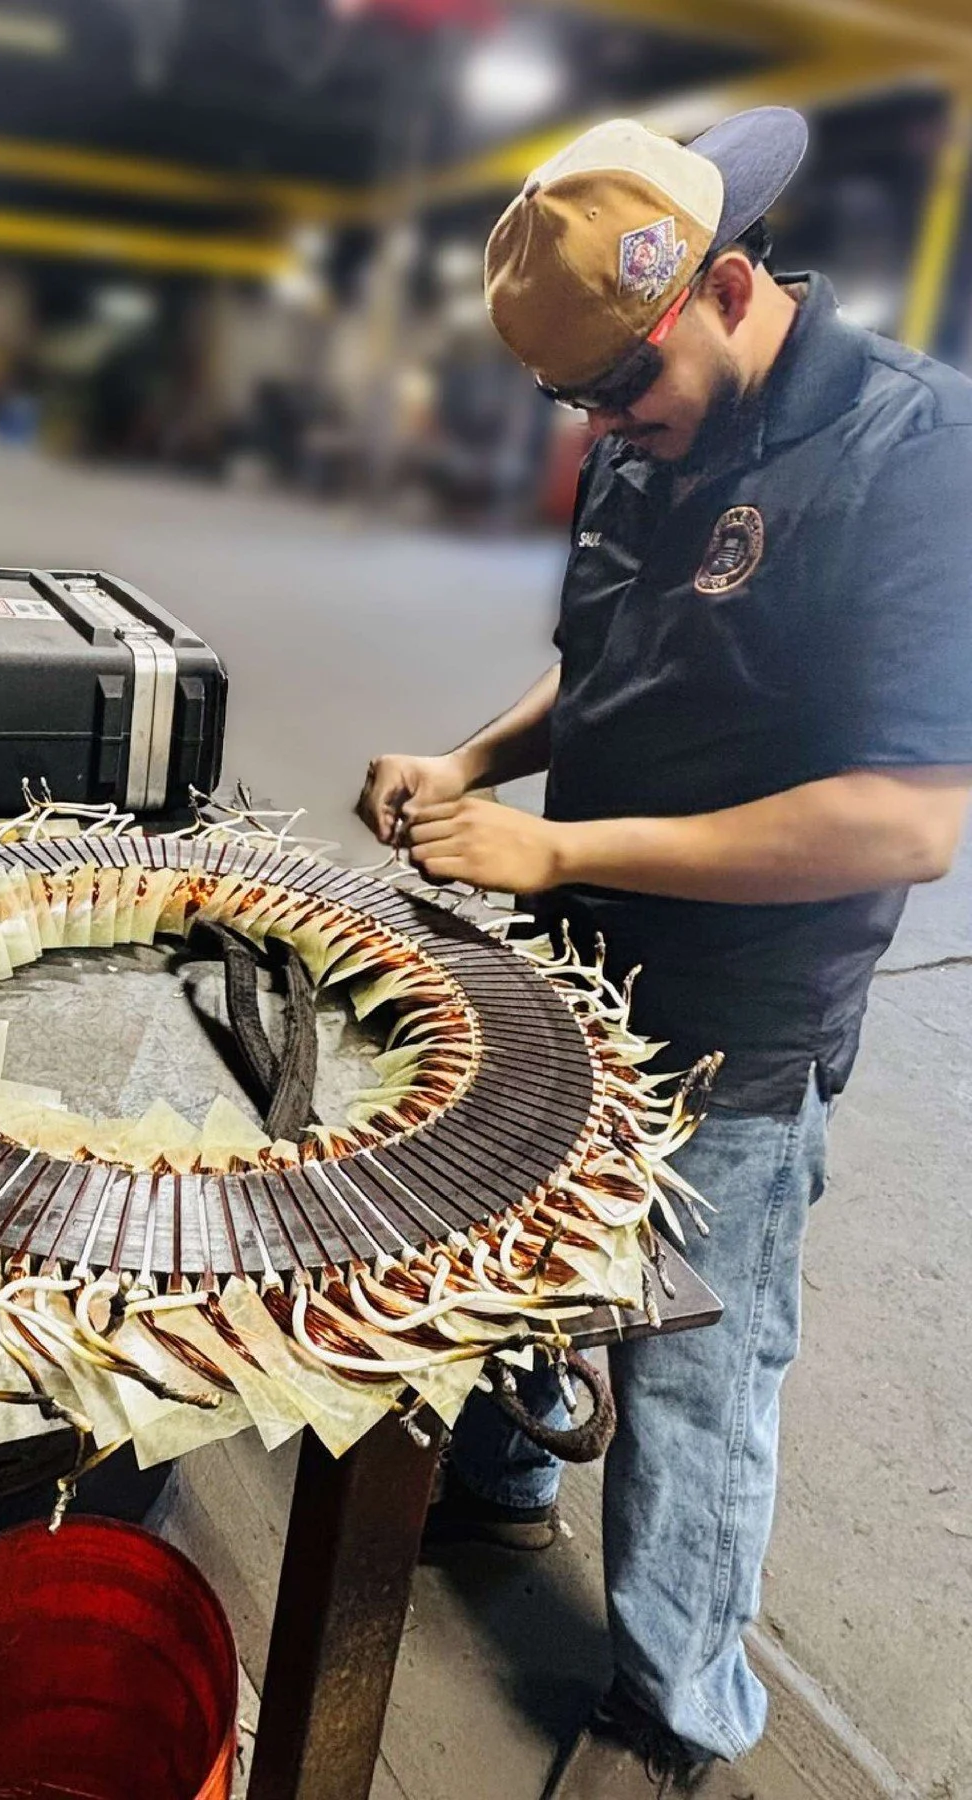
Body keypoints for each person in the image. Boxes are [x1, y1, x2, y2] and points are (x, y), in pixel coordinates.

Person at [358, 107, 972, 1799]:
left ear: (719, 284)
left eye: (621, 391)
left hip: (739, 1010)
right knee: (513, 1242)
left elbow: (911, 817)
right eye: (577, 407)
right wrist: (477, 765)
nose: (605, 428)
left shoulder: (914, 454)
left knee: (694, 1374)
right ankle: (496, 1489)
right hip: (580, 954)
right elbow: (613, 663)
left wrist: (560, 845)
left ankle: (676, 1714)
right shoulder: (643, 416)